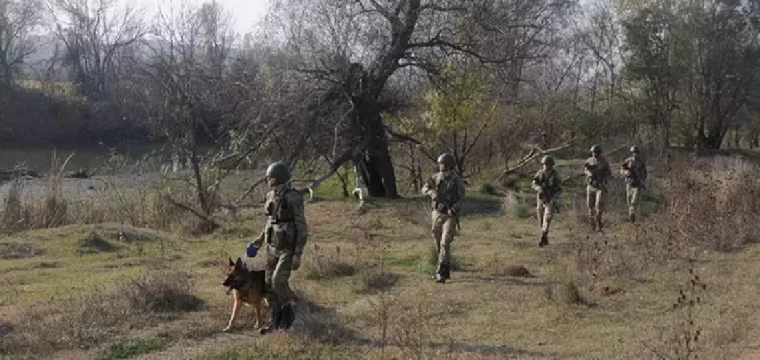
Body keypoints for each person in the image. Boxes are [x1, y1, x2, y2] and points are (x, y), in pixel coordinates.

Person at [246, 161, 308, 334]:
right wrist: (259, 241)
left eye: (270, 177)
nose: (267, 180)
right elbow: (271, 222)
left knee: (278, 281)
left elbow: (302, 227)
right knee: (268, 285)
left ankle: (291, 310)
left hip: (287, 248)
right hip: (272, 246)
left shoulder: (293, 197)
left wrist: (298, 254)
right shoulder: (270, 196)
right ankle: (275, 321)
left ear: (278, 179)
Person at [422, 153, 465, 283]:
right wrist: (431, 193)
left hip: (450, 215)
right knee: (437, 238)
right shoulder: (435, 178)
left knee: (445, 242)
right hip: (437, 213)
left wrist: (454, 209)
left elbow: (462, 198)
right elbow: (424, 188)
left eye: (442, 164)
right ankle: (445, 267)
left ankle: (440, 272)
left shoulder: (457, 181)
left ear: (448, 166)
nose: (440, 166)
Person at [532, 155, 562, 247]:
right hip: (541, 198)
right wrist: (538, 188)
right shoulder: (539, 173)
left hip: (550, 199)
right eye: (544, 164)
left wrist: (554, 198)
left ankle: (543, 235)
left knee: (547, 218)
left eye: (547, 164)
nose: (545, 166)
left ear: (551, 165)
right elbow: (533, 184)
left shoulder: (555, 175)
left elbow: (560, 189)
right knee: (540, 218)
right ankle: (544, 236)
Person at [584, 145, 612, 231]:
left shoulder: (604, 161)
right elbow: (585, 170)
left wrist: (604, 180)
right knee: (590, 206)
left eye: (595, 153)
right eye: (593, 152)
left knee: (598, 206)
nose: (594, 154)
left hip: (600, 186)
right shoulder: (589, 161)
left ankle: (599, 224)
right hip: (591, 185)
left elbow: (609, 173)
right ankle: (592, 225)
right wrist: (589, 174)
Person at [621, 145, 648, 223]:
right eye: (633, 152)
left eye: (636, 152)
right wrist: (626, 173)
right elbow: (622, 170)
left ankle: (632, 214)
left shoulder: (641, 162)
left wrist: (642, 180)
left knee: (634, 201)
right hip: (629, 184)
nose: (635, 154)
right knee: (629, 201)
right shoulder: (627, 161)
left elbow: (645, 173)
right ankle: (631, 215)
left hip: (637, 184)